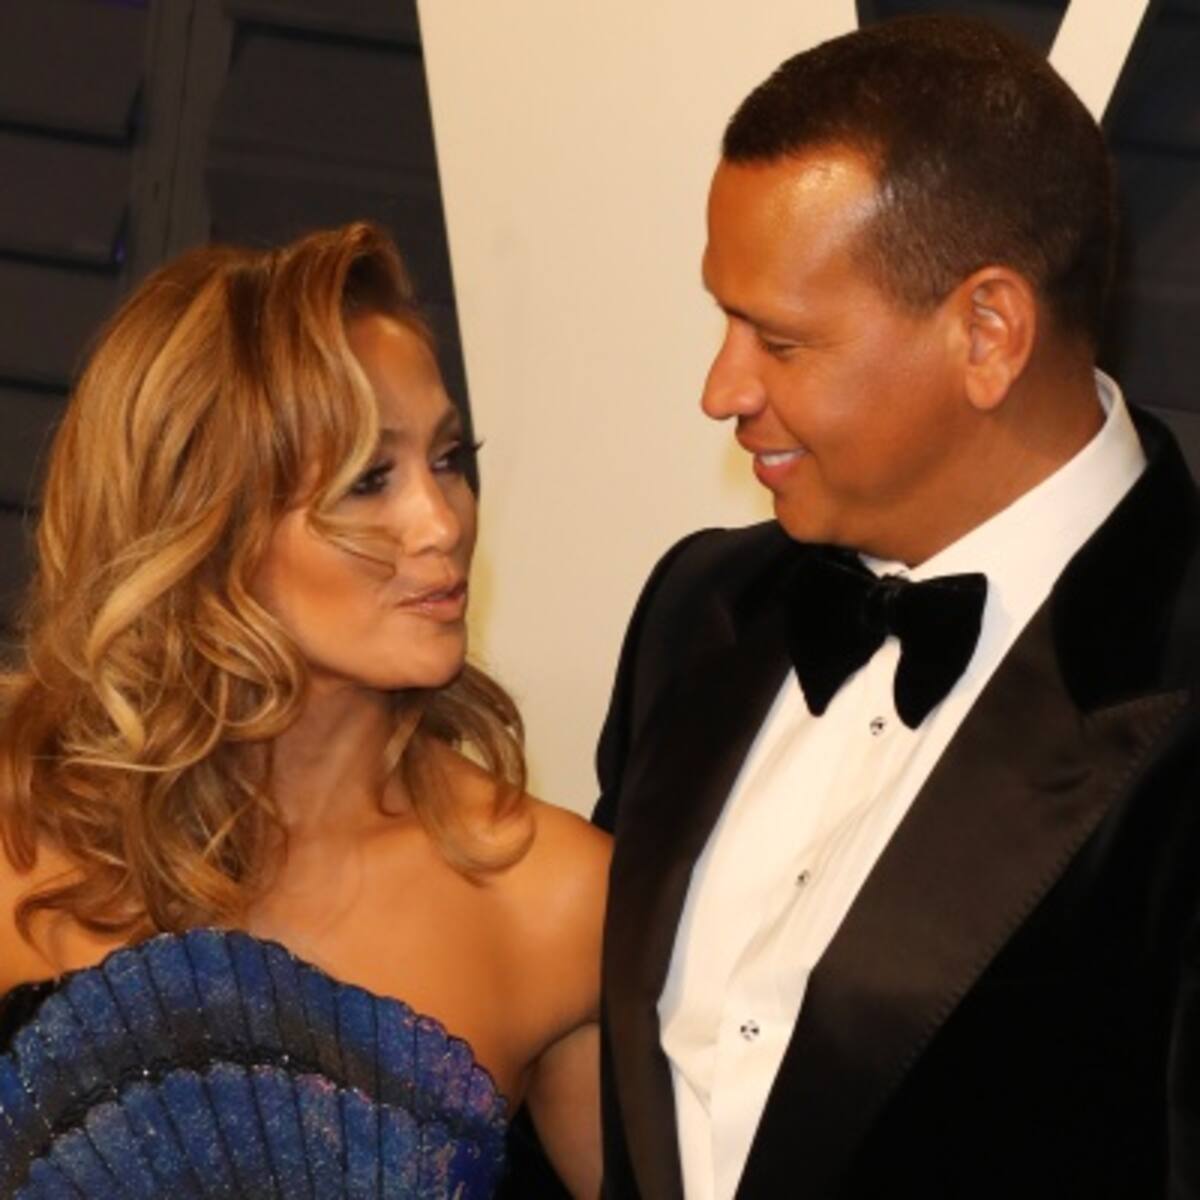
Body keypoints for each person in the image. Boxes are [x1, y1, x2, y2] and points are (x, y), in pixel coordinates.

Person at [594, 15, 1200, 1199]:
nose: (721, 389)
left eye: (780, 340)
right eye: (725, 321)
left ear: (988, 333)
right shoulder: (699, 611)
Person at [0, 222, 609, 1198]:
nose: (442, 522)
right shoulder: (18, 820)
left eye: (450, 457)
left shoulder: (550, 897)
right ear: (207, 517)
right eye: (370, 480)